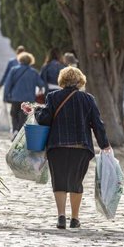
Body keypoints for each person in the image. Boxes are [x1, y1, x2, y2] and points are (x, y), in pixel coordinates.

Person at [35, 66, 111, 229]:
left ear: (62, 81)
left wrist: (36, 111)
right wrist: (104, 144)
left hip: (57, 146)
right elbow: (98, 124)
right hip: (81, 147)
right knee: (76, 183)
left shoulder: (53, 97)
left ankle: (61, 216)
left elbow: (44, 120)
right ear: (80, 81)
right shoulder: (88, 99)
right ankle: (75, 219)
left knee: (59, 182)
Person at [4, 52, 45, 134]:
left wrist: (5, 97)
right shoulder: (34, 72)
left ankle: (15, 129)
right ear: (30, 61)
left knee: (14, 114)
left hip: (15, 97)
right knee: (24, 115)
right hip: (28, 98)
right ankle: (20, 130)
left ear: (20, 60)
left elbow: (7, 84)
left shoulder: (14, 70)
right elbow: (41, 84)